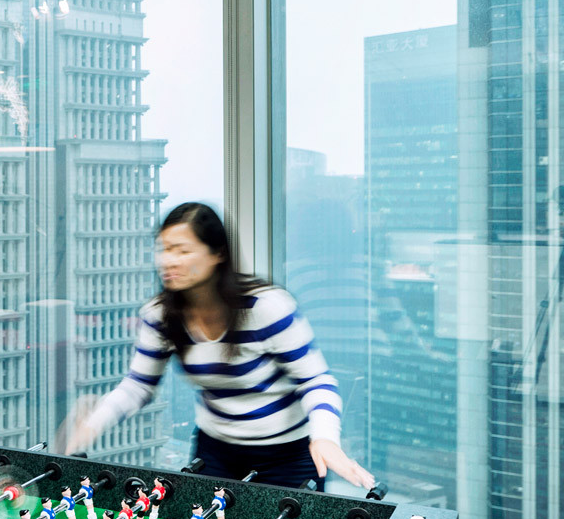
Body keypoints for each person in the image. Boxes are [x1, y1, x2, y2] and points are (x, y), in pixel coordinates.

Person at [63, 202, 374, 491]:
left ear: (217, 254)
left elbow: (316, 380)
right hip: (215, 453)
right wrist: (93, 422)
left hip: (287, 457)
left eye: (182, 250)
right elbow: (138, 386)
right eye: (164, 249)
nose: (169, 260)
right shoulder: (159, 315)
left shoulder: (265, 307)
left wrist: (325, 438)